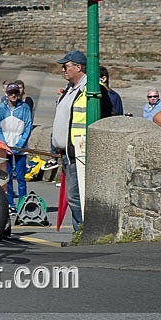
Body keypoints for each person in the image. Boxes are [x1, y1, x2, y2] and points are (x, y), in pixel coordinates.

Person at [51, 49, 112, 232]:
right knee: (73, 197)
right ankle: (81, 232)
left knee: (77, 197)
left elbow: (107, 115)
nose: (62, 70)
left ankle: (83, 234)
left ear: (78, 67)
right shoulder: (70, 90)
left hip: (81, 153)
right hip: (68, 153)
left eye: (65, 66)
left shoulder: (92, 89)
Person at [0, 83, 33, 212]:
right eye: (11, 93)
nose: (14, 95)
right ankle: (10, 203)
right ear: (7, 94)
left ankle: (22, 203)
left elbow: (27, 128)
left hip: (20, 149)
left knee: (21, 178)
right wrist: (4, 144)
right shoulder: (1, 108)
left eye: (16, 92)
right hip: (6, 148)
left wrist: (19, 145)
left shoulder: (25, 108)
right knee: (8, 177)